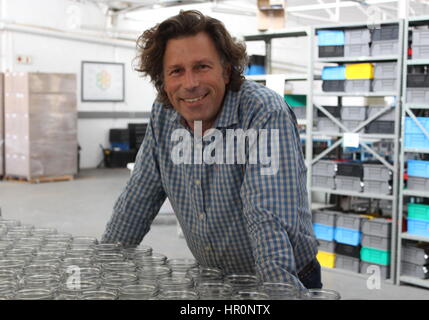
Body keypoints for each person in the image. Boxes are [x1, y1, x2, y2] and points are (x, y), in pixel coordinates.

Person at [101, 10, 321, 290]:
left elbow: (267, 215)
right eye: (176, 71)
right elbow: (137, 199)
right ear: (163, 80)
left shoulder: (262, 112)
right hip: (212, 280)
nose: (190, 83)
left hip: (283, 278)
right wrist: (103, 269)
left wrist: (277, 292)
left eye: (202, 66)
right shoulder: (163, 114)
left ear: (226, 70)